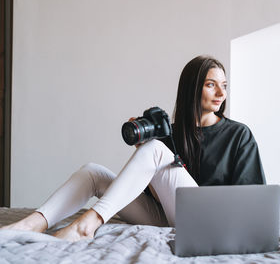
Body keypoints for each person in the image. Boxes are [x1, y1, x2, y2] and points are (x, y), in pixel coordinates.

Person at [0, 55, 265, 242]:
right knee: (94, 172)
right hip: (169, 217)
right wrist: (145, 149)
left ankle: (87, 226)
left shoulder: (238, 134)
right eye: (211, 84)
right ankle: (32, 224)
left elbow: (250, 201)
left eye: (224, 85)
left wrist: (154, 151)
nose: (221, 93)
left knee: (156, 149)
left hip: (210, 222)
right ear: (192, 89)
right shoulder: (171, 133)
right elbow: (157, 198)